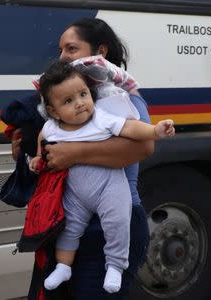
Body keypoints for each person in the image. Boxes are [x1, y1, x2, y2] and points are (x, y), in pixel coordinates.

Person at [10, 17, 156, 299]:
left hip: (110, 229)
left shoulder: (123, 96)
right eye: (62, 49)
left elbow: (143, 148)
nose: (63, 56)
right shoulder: (61, 102)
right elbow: (50, 156)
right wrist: (30, 156)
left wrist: (72, 153)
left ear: (100, 52)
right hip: (69, 228)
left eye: (72, 48)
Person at [29, 61, 174, 293]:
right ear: (53, 111)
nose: (79, 104)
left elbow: (131, 128)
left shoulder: (101, 118)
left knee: (116, 223)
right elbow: (42, 136)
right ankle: (64, 266)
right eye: (68, 101)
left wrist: (155, 130)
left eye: (83, 94)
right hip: (75, 194)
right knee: (69, 229)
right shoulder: (52, 126)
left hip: (109, 188)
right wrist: (37, 157)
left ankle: (115, 266)